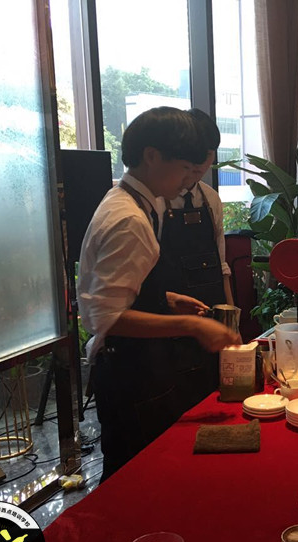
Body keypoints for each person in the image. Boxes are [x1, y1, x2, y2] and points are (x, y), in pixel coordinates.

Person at [77, 107, 240, 482]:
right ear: (151, 156)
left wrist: (167, 299)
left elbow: (121, 289)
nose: (187, 180)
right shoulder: (130, 219)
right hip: (129, 373)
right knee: (135, 479)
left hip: (142, 366)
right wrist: (190, 325)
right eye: (184, 168)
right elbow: (104, 318)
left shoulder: (136, 203)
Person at [157, 108, 234, 408]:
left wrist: (231, 321)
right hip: (170, 322)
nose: (202, 165)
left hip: (210, 314)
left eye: (209, 156)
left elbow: (221, 266)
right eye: (193, 164)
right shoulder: (155, 202)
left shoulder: (210, 199)